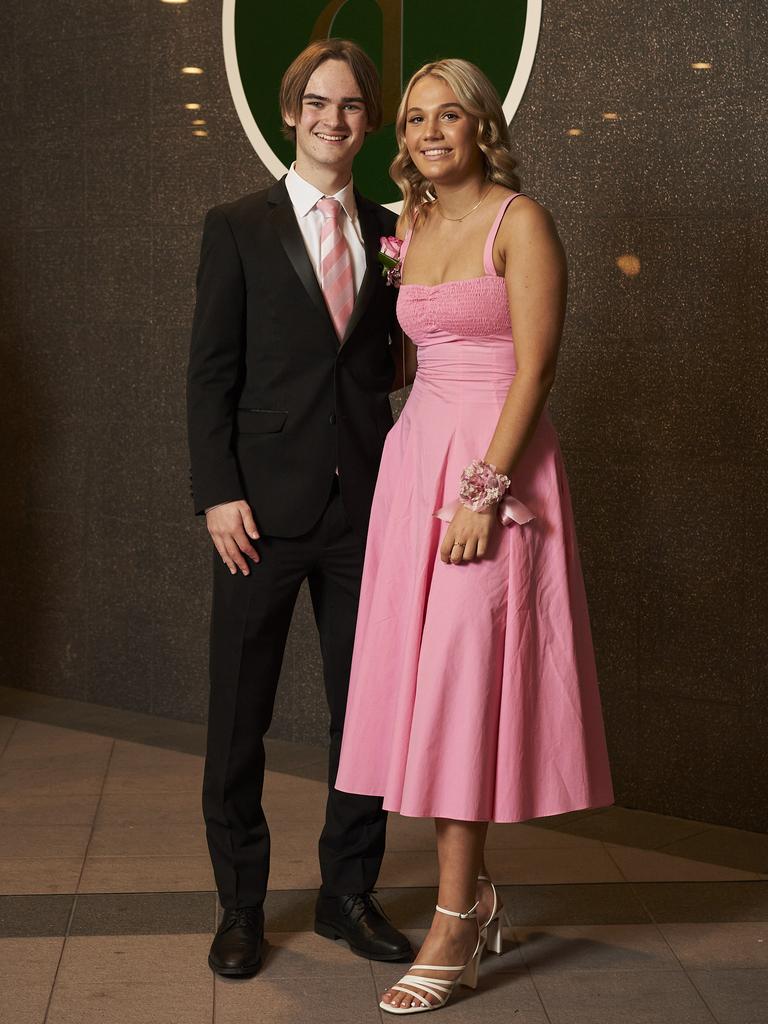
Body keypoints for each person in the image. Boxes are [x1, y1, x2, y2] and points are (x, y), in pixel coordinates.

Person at [334, 58, 615, 1013]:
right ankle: (475, 893)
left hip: (492, 472)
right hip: (416, 468)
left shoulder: (520, 220)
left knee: (461, 686)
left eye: (449, 115)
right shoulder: (408, 228)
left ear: (481, 124)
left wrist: (484, 491)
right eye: (414, 120)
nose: (429, 132)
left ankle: (456, 918)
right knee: (422, 686)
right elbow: (412, 354)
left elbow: (534, 371)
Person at [186, 38, 412, 978]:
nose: (334, 119)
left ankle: (345, 895)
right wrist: (216, 492)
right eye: (319, 103)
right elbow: (210, 375)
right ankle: (240, 905)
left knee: (366, 717)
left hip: (366, 510)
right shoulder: (235, 224)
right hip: (258, 516)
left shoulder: (396, 226)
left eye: (353, 105)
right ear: (291, 111)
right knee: (240, 716)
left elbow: (399, 361)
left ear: (370, 120)